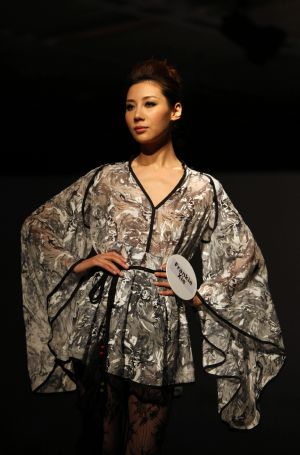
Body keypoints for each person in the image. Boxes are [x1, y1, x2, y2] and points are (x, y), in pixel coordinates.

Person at [21, 58, 285, 454]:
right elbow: (38, 226)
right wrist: (80, 262)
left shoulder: (202, 189)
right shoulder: (105, 179)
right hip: (102, 318)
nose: (137, 115)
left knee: (145, 445)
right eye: (130, 106)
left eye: (148, 103)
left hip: (160, 325)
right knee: (99, 442)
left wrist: (202, 293)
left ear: (174, 110)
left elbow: (243, 256)